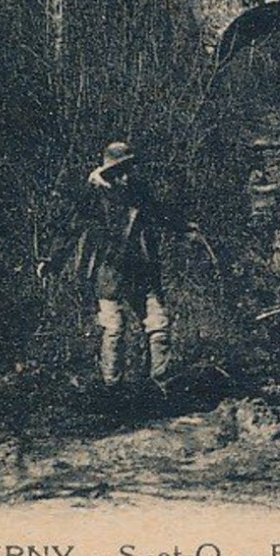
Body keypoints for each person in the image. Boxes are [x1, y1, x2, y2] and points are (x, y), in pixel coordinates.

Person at [74, 141, 198, 390]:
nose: (127, 176)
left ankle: (164, 385)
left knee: (158, 325)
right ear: (111, 173)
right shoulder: (95, 196)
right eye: (121, 171)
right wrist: (51, 261)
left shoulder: (138, 191)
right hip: (109, 272)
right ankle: (112, 389)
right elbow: (70, 229)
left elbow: (159, 212)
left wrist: (184, 227)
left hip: (142, 271)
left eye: (130, 169)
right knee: (114, 329)